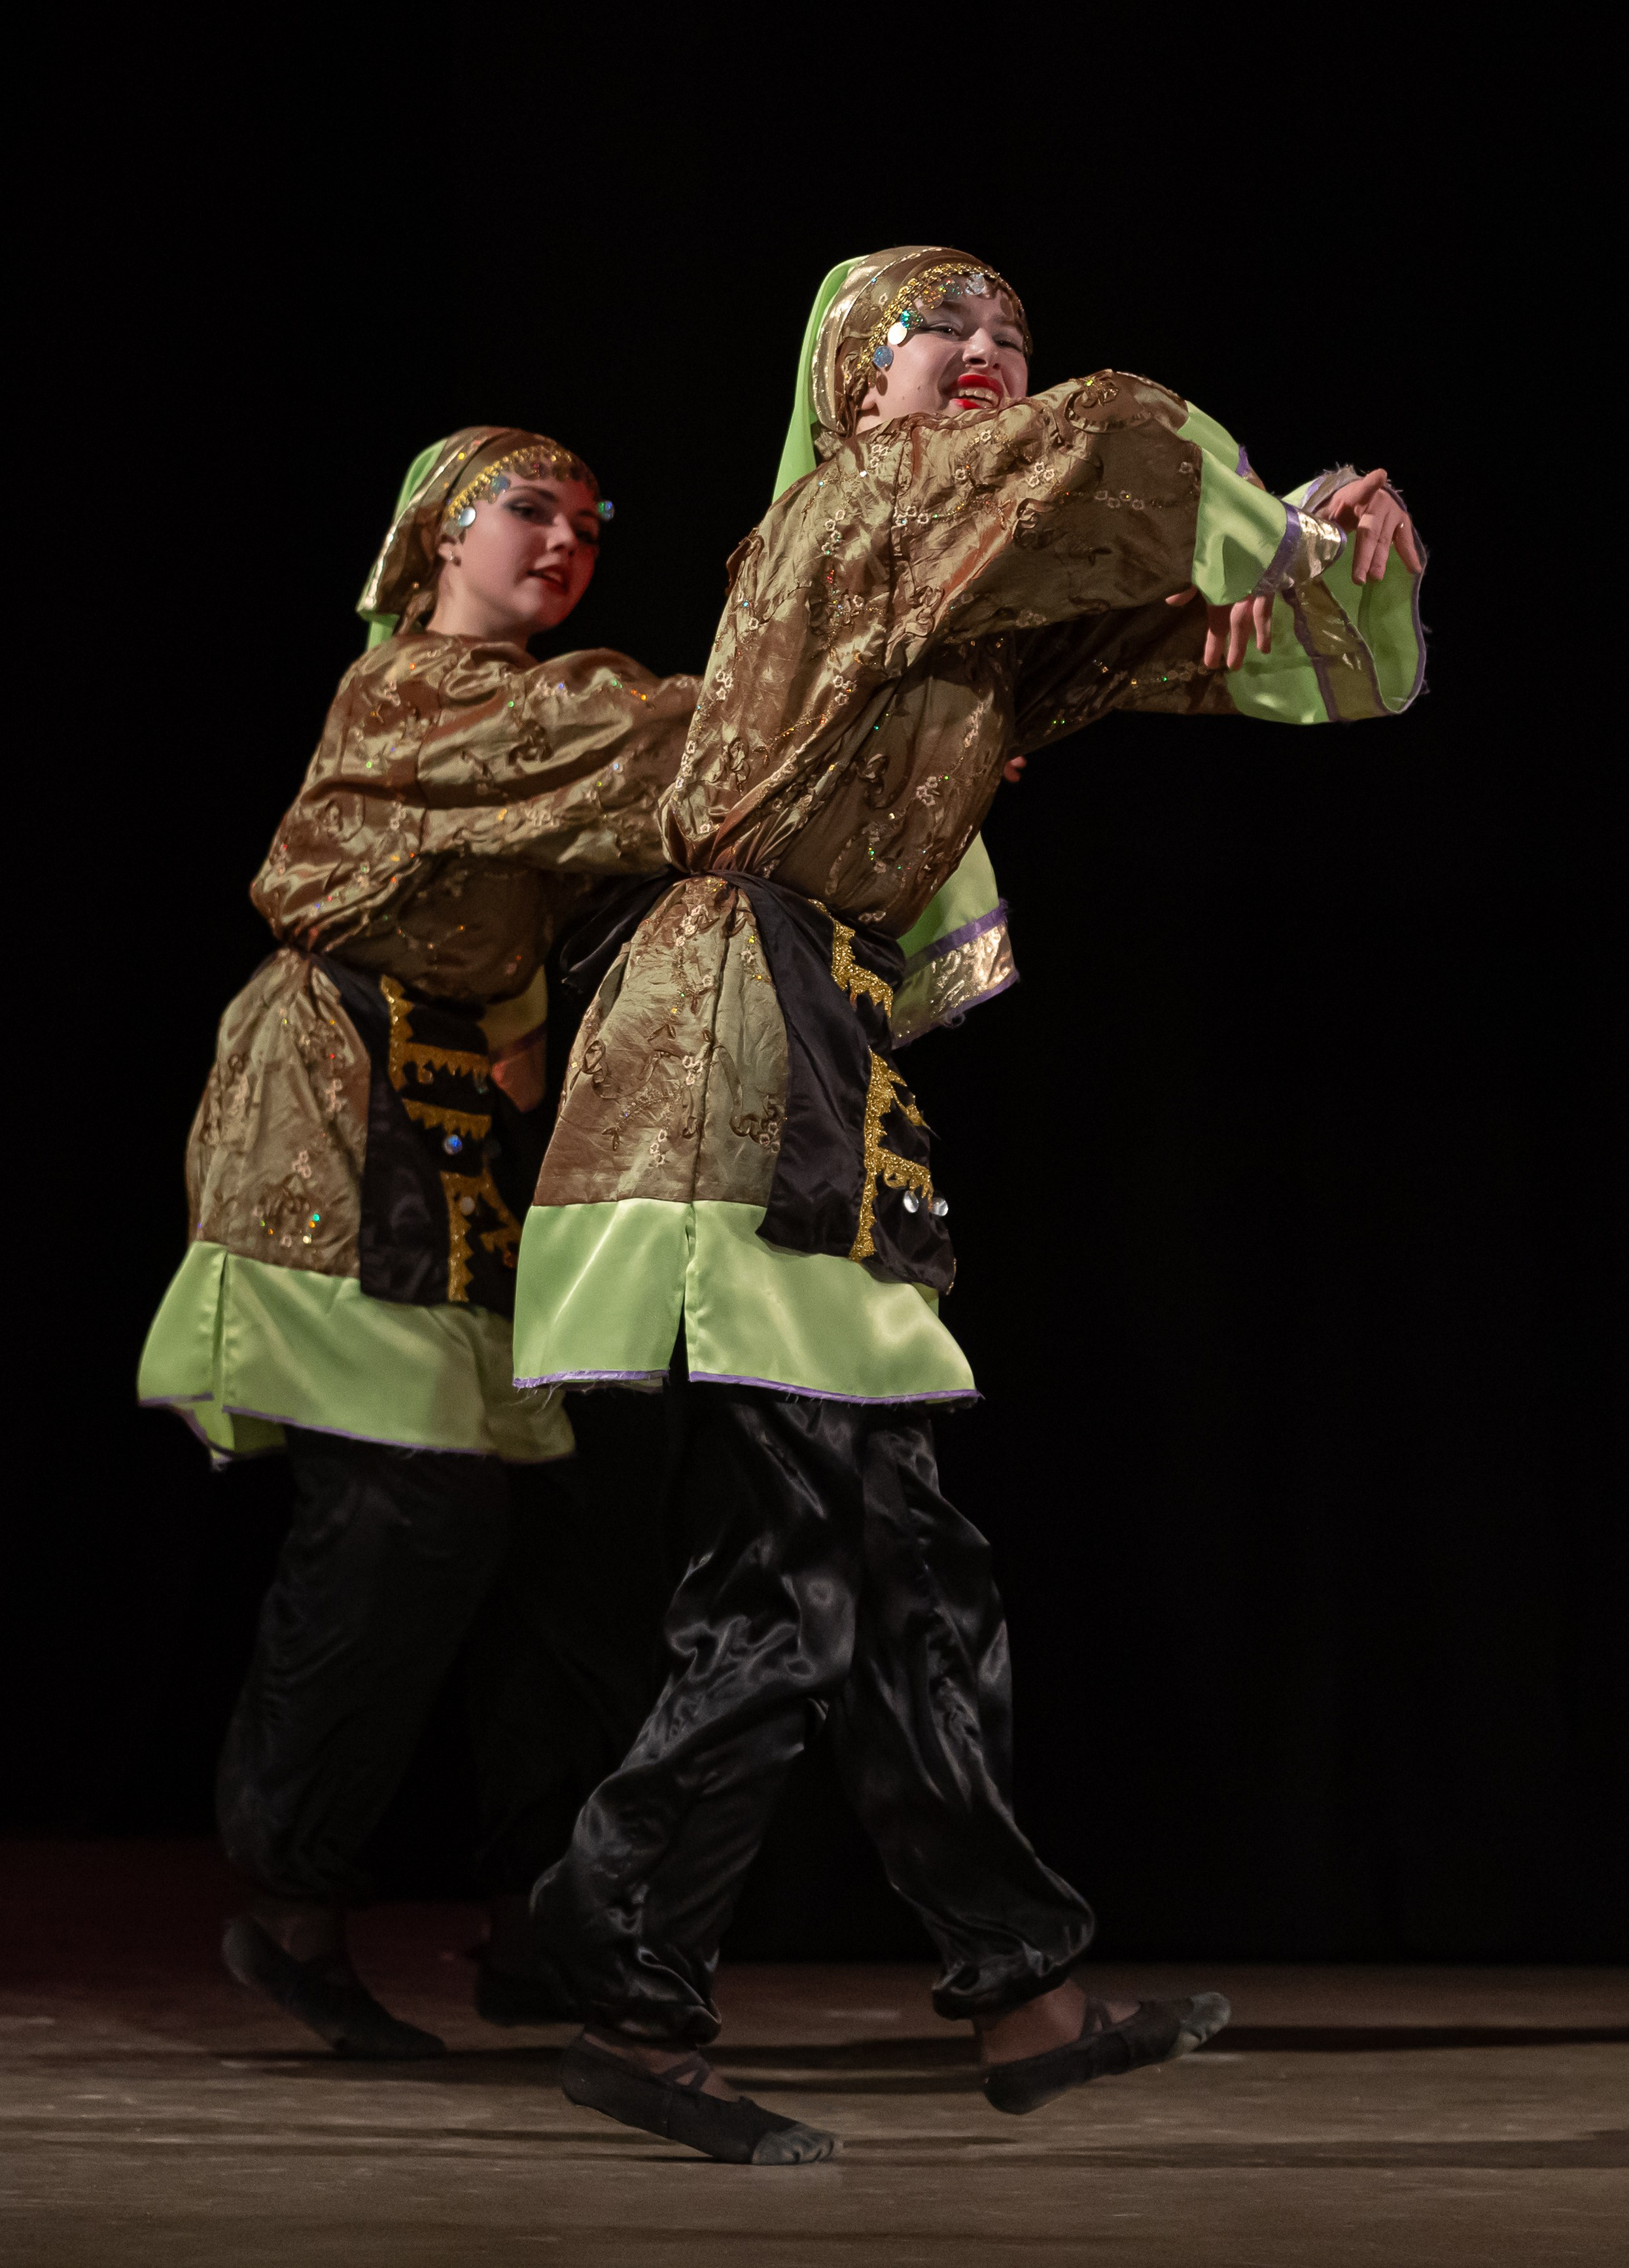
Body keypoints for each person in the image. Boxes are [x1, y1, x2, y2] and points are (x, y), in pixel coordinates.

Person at [510, 248, 1428, 2163]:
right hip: (730, 1060)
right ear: (855, 386)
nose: (1004, 358)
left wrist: (1329, 550)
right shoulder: (850, 519)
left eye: (1016, 331)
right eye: (960, 335)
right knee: (803, 1580)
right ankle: (618, 1982)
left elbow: (1227, 644)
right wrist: (1237, 496)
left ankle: (1023, 1988)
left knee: (903, 1569)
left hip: (816, 1054)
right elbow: (1119, 442)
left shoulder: (956, 602)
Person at [138, 428, 699, 2057]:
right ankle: (291, 1909)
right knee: (407, 1509)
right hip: (332, 1102)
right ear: (435, 541)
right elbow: (646, 746)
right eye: (528, 513)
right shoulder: (416, 693)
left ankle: (542, 1913)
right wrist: (821, 698)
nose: (564, 543)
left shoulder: (526, 740)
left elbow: (620, 849)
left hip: (454, 1130)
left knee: (559, 1517)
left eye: (589, 527)